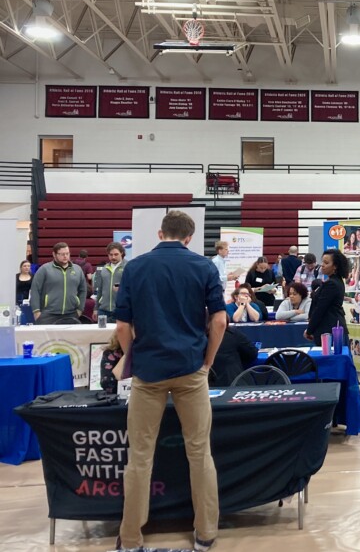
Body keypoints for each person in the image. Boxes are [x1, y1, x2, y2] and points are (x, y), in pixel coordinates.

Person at [114, 210, 225, 551]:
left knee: (140, 458)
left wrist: (136, 358)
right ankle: (205, 534)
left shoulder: (134, 267)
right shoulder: (205, 267)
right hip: (191, 369)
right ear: (189, 237)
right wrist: (207, 363)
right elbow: (219, 322)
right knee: (200, 453)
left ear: (160, 233)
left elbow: (121, 327)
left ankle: (131, 539)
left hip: (148, 373)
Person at [30, 242, 88, 324]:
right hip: (48, 314)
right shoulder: (44, 269)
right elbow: (35, 290)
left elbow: (83, 290)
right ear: (54, 254)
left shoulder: (77, 270)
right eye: (62, 254)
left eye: (67, 253)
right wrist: (36, 311)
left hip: (71, 314)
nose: (65, 256)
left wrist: (80, 309)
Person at [304, 248, 350, 344]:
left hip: (330, 331)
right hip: (329, 329)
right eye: (322, 262)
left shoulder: (332, 284)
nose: (322, 265)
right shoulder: (334, 281)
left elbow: (320, 309)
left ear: (335, 266)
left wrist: (309, 330)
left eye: (326, 263)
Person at [93, 242, 126, 322]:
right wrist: (96, 308)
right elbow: (100, 290)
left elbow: (133, 288)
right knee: (102, 334)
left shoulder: (128, 267)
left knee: (120, 334)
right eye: (111, 255)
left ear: (121, 253)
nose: (113, 257)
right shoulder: (104, 268)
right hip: (103, 310)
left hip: (120, 309)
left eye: (116, 254)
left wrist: (121, 289)